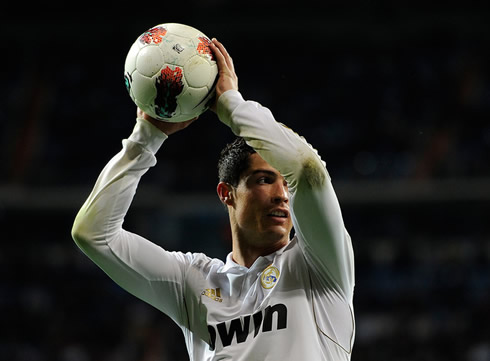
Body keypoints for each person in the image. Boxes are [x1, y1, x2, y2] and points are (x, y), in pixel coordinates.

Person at [72, 38, 355, 360]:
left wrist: (232, 105)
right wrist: (146, 137)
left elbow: (307, 170)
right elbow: (94, 235)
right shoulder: (193, 281)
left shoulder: (319, 263)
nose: (282, 196)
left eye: (285, 184)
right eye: (264, 180)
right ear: (227, 193)